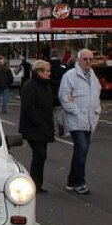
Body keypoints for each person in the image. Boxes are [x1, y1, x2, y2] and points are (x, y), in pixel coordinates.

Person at [59, 48, 101, 195]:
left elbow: (96, 93)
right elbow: (64, 97)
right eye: (85, 59)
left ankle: (72, 180)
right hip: (76, 120)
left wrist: (97, 109)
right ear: (78, 60)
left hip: (90, 120)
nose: (88, 62)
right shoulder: (70, 76)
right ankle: (79, 182)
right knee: (81, 148)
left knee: (81, 151)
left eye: (90, 59)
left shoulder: (93, 76)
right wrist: (75, 111)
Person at [19, 60, 54, 193]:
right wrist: (38, 122)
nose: (49, 73)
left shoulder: (45, 85)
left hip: (43, 126)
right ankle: (34, 182)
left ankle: (37, 183)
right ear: (39, 72)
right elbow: (28, 107)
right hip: (33, 127)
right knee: (40, 153)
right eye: (47, 71)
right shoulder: (30, 86)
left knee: (41, 155)